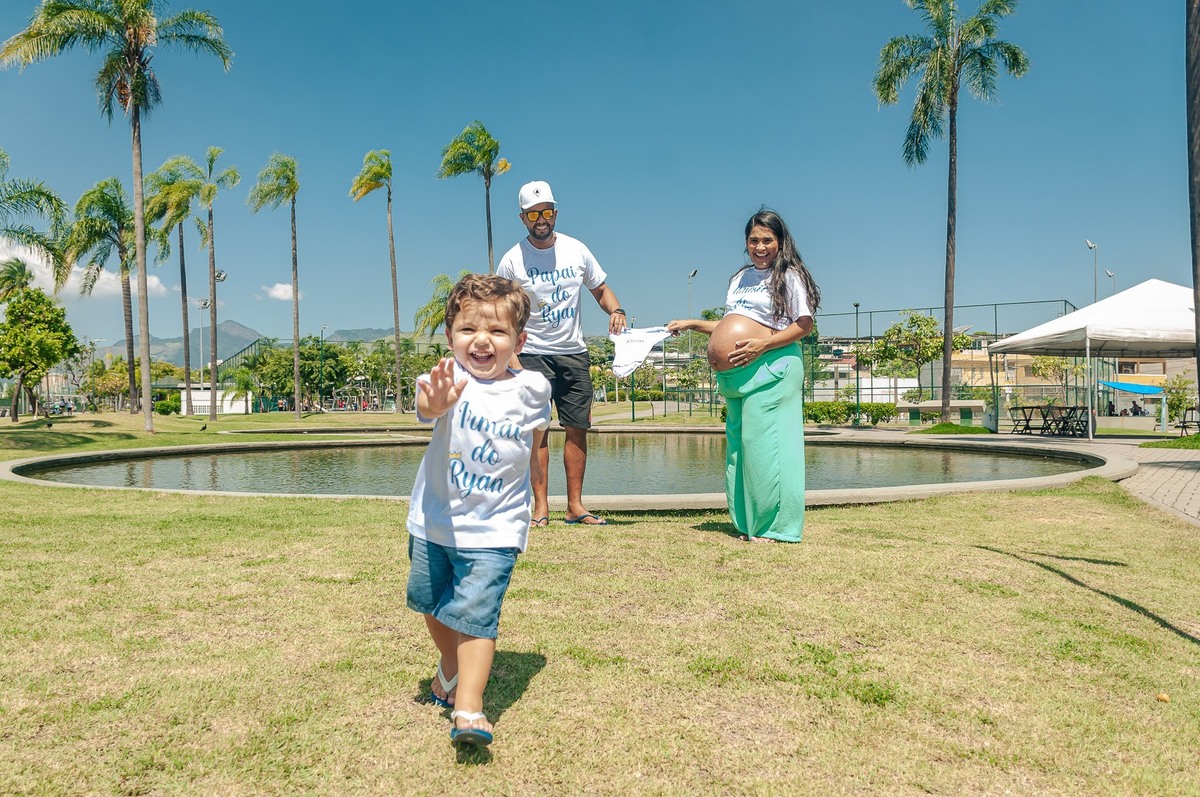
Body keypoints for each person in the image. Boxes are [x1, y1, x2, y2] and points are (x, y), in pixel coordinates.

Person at [406, 273, 552, 747]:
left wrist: (540, 500)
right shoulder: (444, 378)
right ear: (451, 337)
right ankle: (449, 665)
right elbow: (426, 404)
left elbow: (536, 446)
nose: (482, 340)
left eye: (497, 331)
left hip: (496, 527)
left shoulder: (533, 388)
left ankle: (469, 708)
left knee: (475, 615)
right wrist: (436, 402)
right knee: (430, 603)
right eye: (468, 329)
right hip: (435, 520)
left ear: (519, 342)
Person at [667, 208, 819, 543]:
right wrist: (692, 324)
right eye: (753, 240)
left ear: (780, 242)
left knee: (766, 448)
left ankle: (776, 527)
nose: (760, 247)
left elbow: (804, 324)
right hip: (737, 376)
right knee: (739, 449)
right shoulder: (740, 278)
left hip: (772, 367)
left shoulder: (789, 275)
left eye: (767, 240)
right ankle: (747, 522)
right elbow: (730, 323)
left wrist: (763, 345)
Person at [497, 180, 626, 527]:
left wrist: (616, 310)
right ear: (522, 218)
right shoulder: (512, 260)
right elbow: (501, 310)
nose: (541, 219)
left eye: (547, 212)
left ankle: (575, 506)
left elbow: (600, 289)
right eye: (533, 214)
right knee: (537, 431)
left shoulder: (576, 250)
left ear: (555, 213)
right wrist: (510, 354)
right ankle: (540, 509)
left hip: (573, 353)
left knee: (577, 428)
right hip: (531, 354)